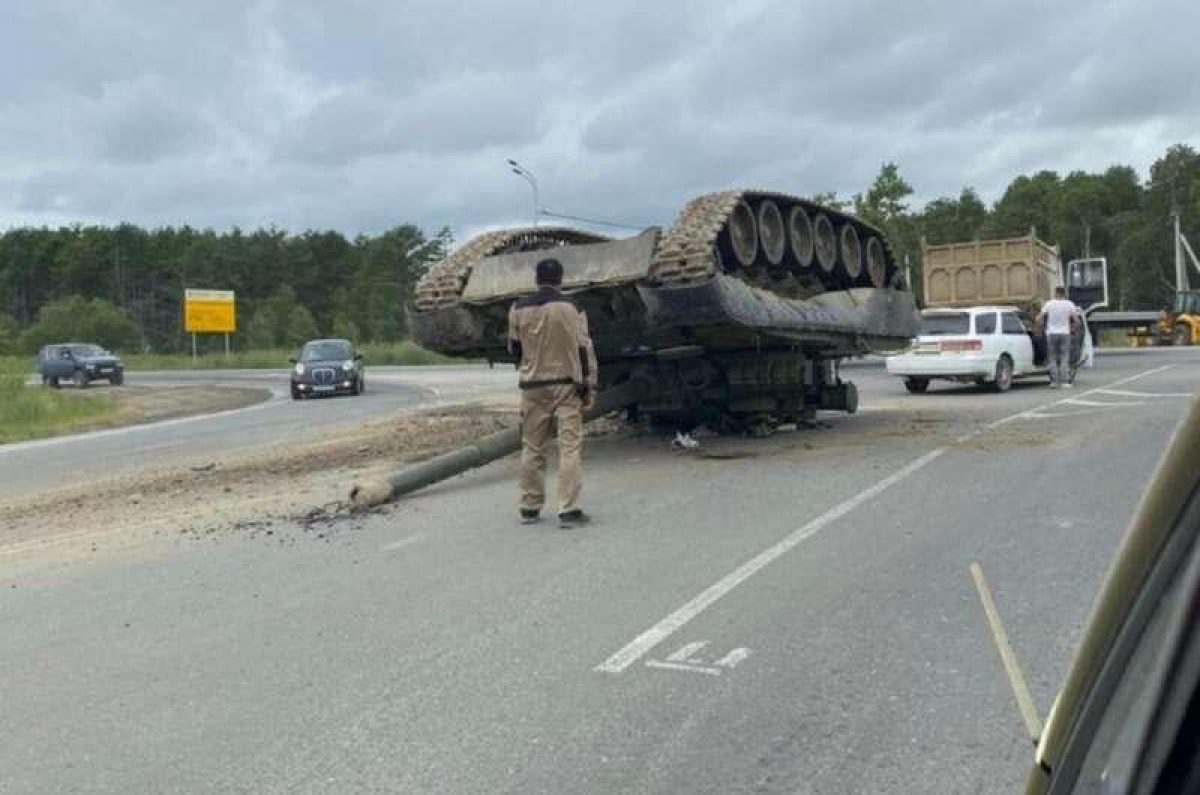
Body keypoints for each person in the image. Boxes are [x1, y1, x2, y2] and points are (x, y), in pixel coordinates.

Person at [507, 257, 599, 528]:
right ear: (561, 279)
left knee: (532, 447)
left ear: (536, 279)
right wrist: (589, 385)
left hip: (532, 386)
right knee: (569, 447)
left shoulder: (516, 308)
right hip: (566, 384)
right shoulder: (573, 307)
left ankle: (529, 506)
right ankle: (568, 509)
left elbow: (514, 350)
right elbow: (584, 348)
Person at [1036, 286, 1083, 388]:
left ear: (1055, 292)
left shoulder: (1049, 304)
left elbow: (1038, 318)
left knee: (1052, 357)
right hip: (1065, 333)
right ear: (1064, 293)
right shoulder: (1069, 304)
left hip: (1051, 333)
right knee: (1064, 357)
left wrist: (1041, 329)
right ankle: (1065, 381)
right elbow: (1077, 321)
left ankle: (1054, 381)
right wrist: (1073, 330)